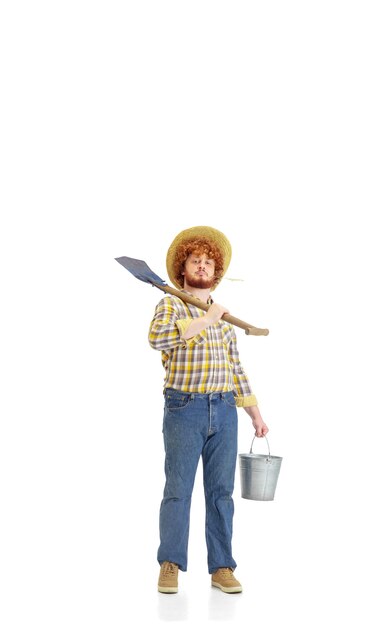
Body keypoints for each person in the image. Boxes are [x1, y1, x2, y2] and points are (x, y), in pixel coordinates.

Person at [148, 225, 269, 594]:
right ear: (182, 269)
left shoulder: (224, 320)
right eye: (194, 260)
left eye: (208, 262)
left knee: (221, 492)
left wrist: (255, 413)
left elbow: (235, 369)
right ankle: (170, 564)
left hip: (224, 410)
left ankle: (221, 567)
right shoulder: (171, 303)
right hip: (185, 408)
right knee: (178, 490)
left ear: (215, 272)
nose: (201, 266)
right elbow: (157, 338)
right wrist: (206, 319)